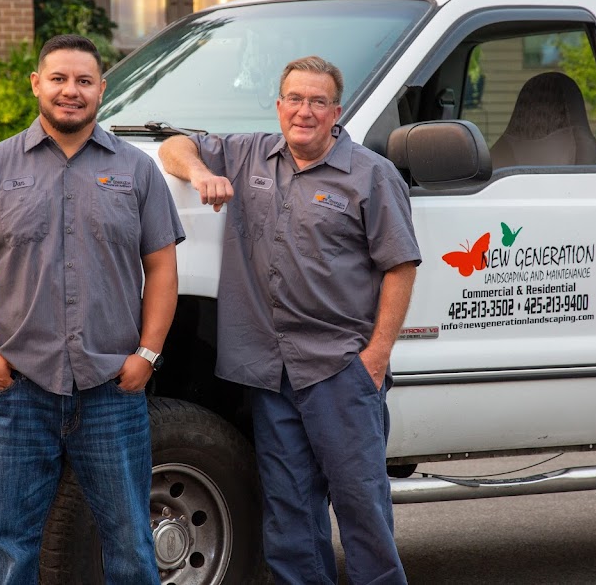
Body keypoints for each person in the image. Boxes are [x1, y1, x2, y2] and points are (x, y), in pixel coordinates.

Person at [159, 55, 421, 584]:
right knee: (289, 513)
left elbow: (401, 265)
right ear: (279, 106)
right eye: (295, 99)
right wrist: (202, 174)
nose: (305, 111)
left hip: (339, 369)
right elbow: (174, 146)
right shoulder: (248, 154)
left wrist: (375, 358)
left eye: (318, 102)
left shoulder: (371, 174)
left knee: (361, 507)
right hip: (269, 373)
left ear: (336, 112)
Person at [0, 34, 184, 584]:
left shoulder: (137, 170)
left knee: (130, 541)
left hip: (112, 392)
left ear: (102, 89)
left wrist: (147, 354)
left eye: (84, 81)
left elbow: (163, 268)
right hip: (19, 390)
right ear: (36, 84)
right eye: (59, 79)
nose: (71, 91)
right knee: (10, 546)